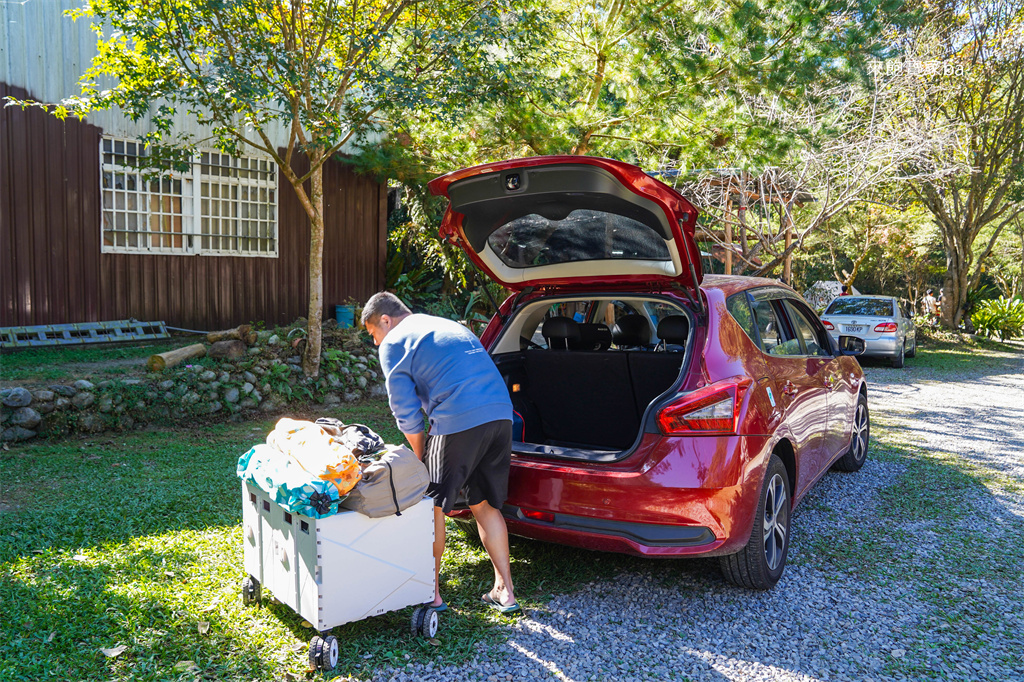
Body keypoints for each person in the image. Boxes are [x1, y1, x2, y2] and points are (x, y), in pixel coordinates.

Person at [361, 292, 520, 614]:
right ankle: (505, 592)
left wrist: (420, 457)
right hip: (501, 416)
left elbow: (404, 409)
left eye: (373, 335)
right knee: (485, 504)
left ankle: (430, 594)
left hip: (457, 420)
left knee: (430, 508)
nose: (377, 344)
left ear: (385, 320)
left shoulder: (396, 342)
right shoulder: (446, 325)